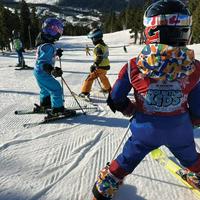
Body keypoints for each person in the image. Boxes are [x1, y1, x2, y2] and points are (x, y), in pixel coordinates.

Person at [92, 1, 200, 199]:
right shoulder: (195, 68)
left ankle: (107, 184)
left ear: (151, 31)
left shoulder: (134, 66)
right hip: (180, 129)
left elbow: (116, 97)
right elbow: (199, 104)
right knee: (191, 157)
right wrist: (194, 120)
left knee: (127, 158)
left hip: (145, 129)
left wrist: (129, 109)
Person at [33, 17, 75, 117]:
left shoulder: (43, 44)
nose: (58, 33)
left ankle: (46, 104)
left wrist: (56, 53)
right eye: (57, 31)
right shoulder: (48, 46)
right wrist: (52, 70)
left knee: (45, 89)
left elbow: (44, 57)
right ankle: (58, 109)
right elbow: (43, 62)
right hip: (43, 72)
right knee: (56, 89)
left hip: (37, 71)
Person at [79, 28, 111, 98]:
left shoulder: (98, 47)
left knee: (89, 78)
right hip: (105, 66)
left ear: (95, 38)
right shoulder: (104, 45)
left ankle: (85, 92)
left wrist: (95, 65)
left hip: (99, 66)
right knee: (103, 77)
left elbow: (99, 57)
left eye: (92, 39)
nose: (92, 41)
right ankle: (108, 89)